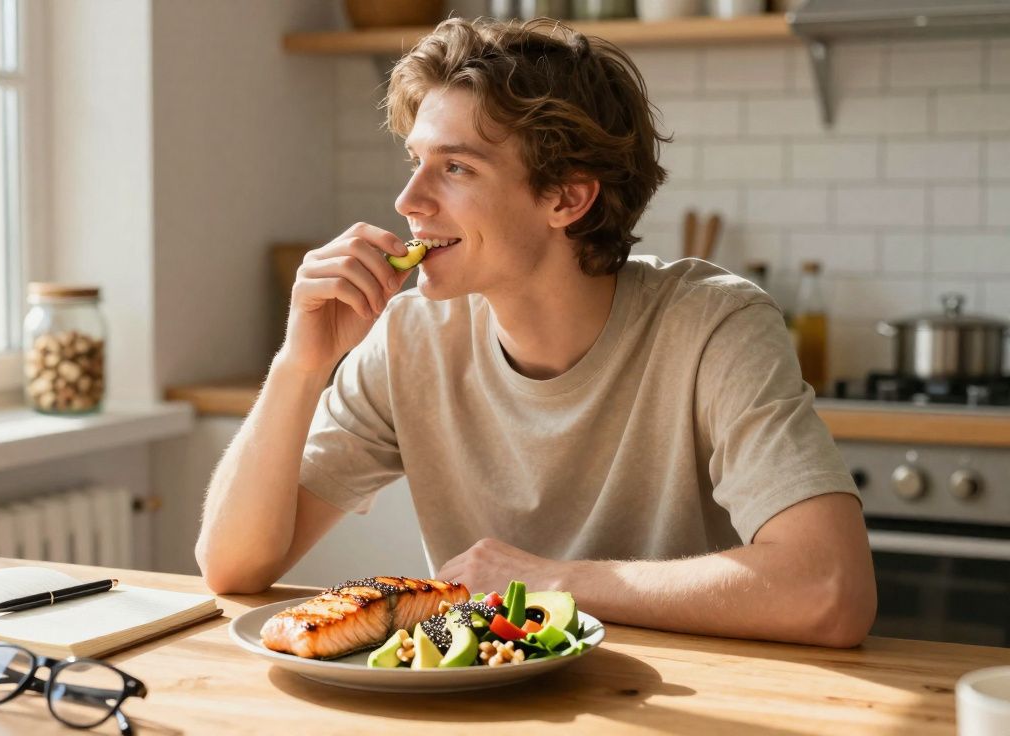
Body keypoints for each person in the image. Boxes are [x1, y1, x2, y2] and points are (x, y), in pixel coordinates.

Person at [196, 17, 876, 648]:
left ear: (567, 198)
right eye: (416, 162)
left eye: (455, 168)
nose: (409, 201)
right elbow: (231, 566)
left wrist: (554, 583)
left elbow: (831, 589)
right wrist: (300, 361)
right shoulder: (410, 338)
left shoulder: (713, 327)